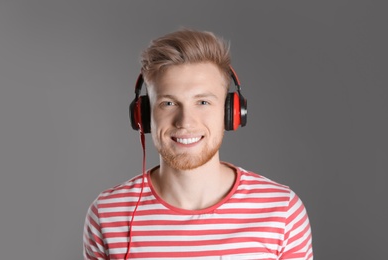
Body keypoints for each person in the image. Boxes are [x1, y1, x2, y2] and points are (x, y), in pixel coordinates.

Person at [83, 28, 313, 260]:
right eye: (168, 103)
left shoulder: (282, 211)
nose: (185, 122)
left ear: (230, 113)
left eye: (202, 102)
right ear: (143, 115)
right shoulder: (106, 214)